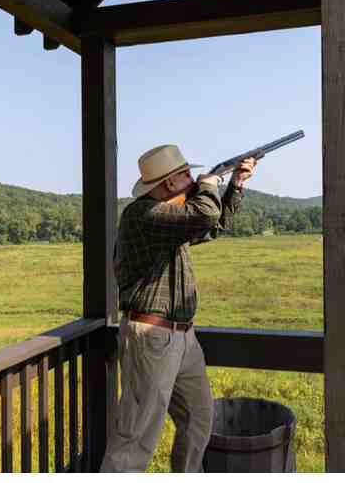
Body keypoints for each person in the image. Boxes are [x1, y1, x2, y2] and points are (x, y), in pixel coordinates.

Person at [100, 143, 256, 472]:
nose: (191, 178)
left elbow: (212, 226)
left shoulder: (170, 218)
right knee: (136, 435)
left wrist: (236, 185)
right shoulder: (142, 214)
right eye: (185, 174)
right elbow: (205, 213)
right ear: (170, 183)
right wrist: (210, 184)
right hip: (153, 337)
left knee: (199, 418)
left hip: (182, 337)